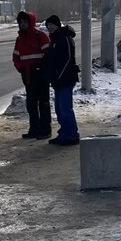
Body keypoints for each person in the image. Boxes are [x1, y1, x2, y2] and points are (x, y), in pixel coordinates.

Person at [13, 10, 51, 139]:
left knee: (43, 103)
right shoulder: (20, 39)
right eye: (21, 22)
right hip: (28, 75)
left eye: (25, 22)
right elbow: (16, 57)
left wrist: (42, 68)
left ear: (30, 22)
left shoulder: (40, 36)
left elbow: (49, 54)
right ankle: (34, 129)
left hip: (41, 74)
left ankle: (45, 130)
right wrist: (22, 70)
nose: (22, 24)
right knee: (31, 104)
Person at [43, 14, 80, 146]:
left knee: (65, 108)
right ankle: (64, 133)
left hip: (66, 79)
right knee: (59, 109)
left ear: (57, 25)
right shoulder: (54, 39)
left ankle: (72, 135)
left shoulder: (64, 38)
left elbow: (69, 59)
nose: (50, 28)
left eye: (52, 25)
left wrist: (59, 77)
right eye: (48, 26)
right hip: (58, 80)